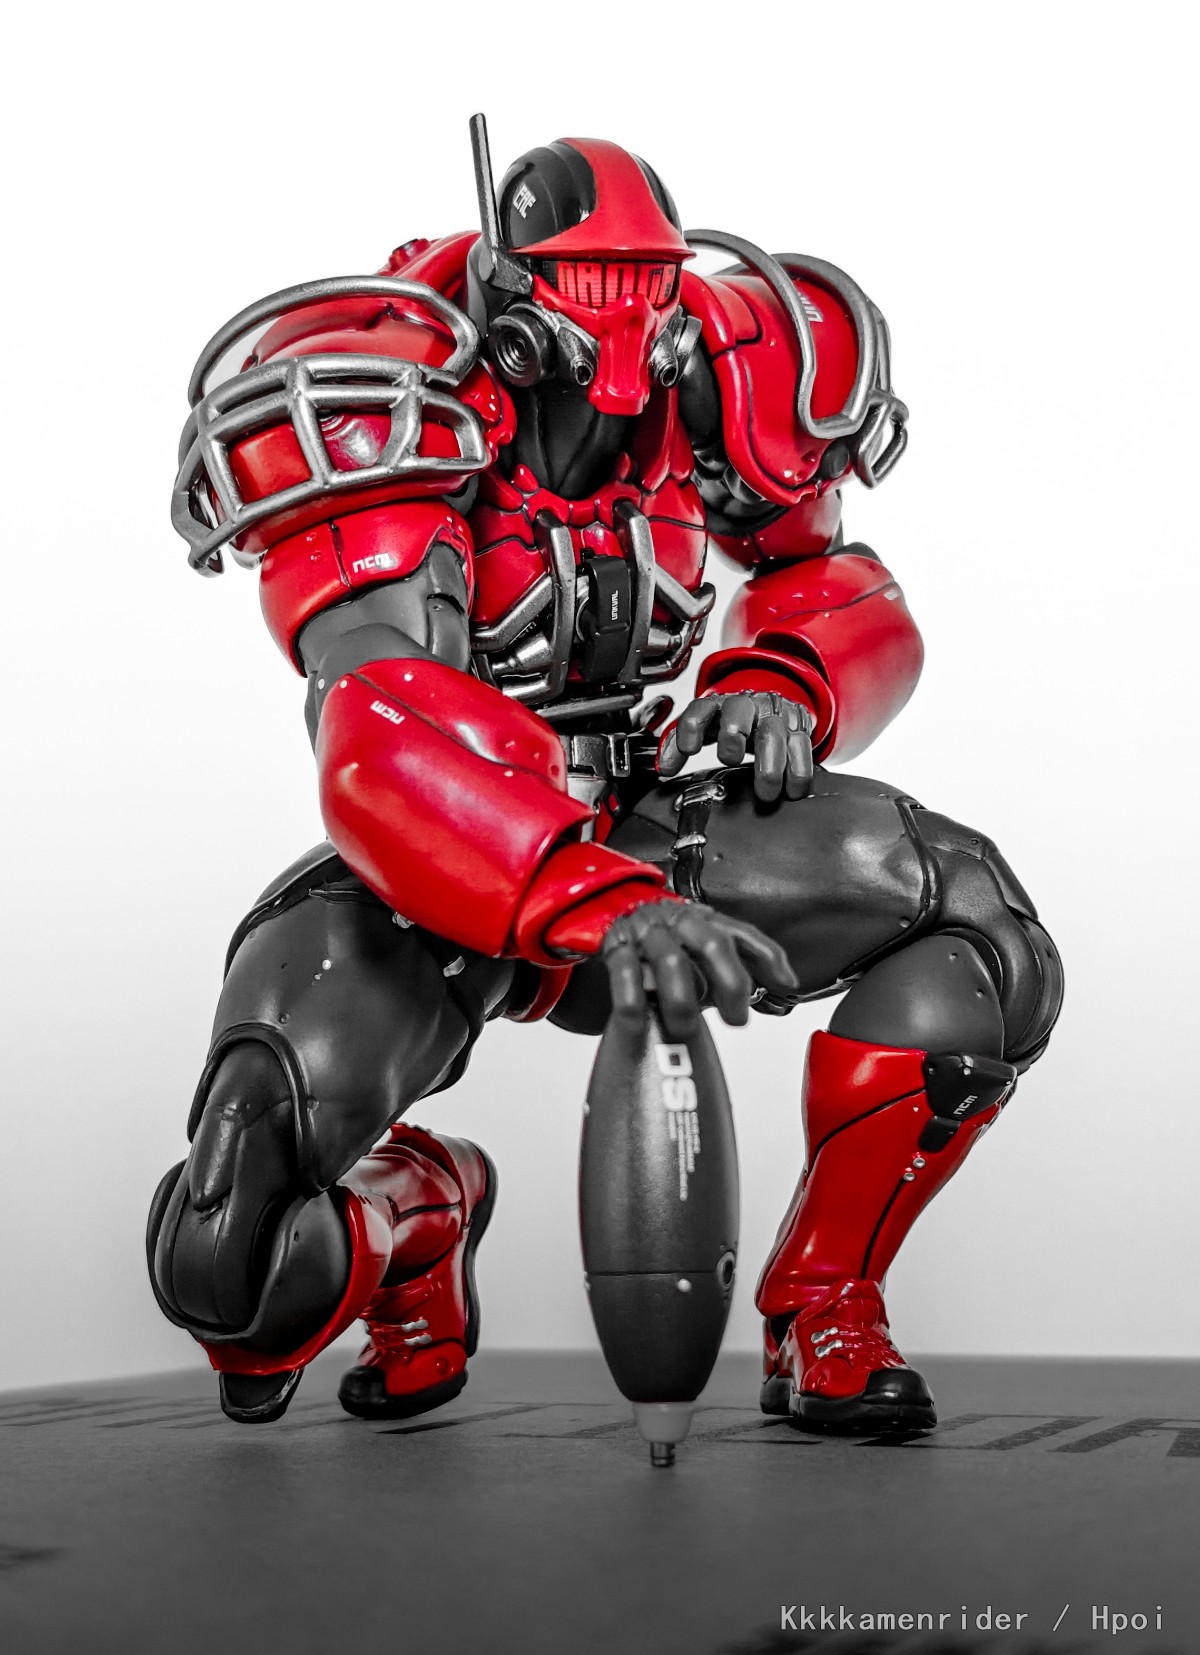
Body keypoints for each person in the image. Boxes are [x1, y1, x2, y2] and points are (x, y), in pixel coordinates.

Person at [148, 117, 1061, 1431]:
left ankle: (826, 1301)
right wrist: (592, 900)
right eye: (593, 301)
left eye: (650, 299)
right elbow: (380, 723)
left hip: (647, 815)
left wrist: (781, 675)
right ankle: (419, 1213)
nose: (627, 360)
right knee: (227, 1262)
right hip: (443, 854)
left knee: (976, 924)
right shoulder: (387, 392)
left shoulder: (720, 376)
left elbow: (831, 575)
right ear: (508, 301)